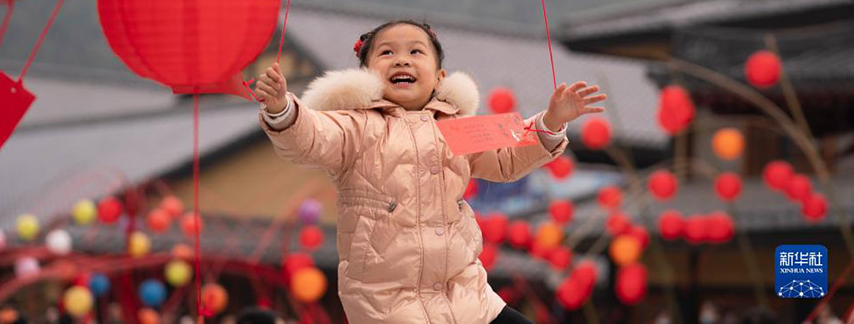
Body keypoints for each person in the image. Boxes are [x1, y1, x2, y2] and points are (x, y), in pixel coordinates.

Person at [253, 19, 606, 324]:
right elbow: (311, 136)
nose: (401, 59)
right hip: (387, 303)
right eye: (387, 53)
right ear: (365, 74)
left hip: (467, 296)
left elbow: (506, 157)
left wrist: (552, 120)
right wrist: (283, 109)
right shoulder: (354, 126)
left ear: (439, 77)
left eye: (416, 52)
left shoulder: (456, 126)